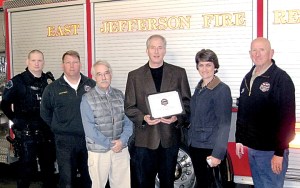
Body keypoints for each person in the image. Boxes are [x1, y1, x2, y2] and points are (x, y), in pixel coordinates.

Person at [124, 34, 191, 188]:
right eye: (152, 47)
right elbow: (129, 106)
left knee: (168, 183)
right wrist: (143, 117)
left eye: (160, 47)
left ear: (165, 50)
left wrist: (177, 118)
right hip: (145, 140)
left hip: (169, 139)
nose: (156, 51)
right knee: (144, 183)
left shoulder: (179, 73)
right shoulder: (134, 76)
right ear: (147, 50)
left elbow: (187, 103)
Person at [235, 37, 296, 188]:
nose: (257, 54)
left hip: (271, 152)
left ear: (271, 53)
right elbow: (243, 111)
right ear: (250, 53)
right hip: (253, 150)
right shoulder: (247, 78)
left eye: (262, 50)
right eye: (254, 50)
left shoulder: (281, 79)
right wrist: (239, 139)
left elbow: (287, 119)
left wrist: (279, 153)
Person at [0, 50, 56, 188]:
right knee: (26, 171)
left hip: (46, 133)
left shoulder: (48, 81)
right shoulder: (18, 81)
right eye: (33, 60)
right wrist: (16, 120)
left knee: (48, 171)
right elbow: (4, 104)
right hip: (27, 135)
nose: (36, 64)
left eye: (39, 60)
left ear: (43, 62)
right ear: (27, 62)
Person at [40, 50, 95, 188]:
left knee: (90, 179)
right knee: (67, 180)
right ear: (62, 65)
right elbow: (45, 112)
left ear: (80, 64)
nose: (72, 66)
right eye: (68, 62)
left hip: (88, 140)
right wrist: (58, 127)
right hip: (64, 142)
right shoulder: (52, 88)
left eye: (75, 62)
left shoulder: (91, 85)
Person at [80, 60, 133, 188]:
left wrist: (122, 140)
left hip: (120, 149)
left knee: (123, 185)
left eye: (106, 73)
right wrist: (110, 144)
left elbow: (129, 121)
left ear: (111, 75)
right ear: (94, 77)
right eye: (99, 74)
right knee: (98, 185)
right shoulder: (87, 98)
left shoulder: (119, 95)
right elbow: (90, 129)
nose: (104, 77)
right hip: (98, 151)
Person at [188, 49, 232, 188]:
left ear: (215, 67)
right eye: (201, 65)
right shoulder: (199, 88)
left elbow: (224, 124)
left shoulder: (221, 89)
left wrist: (218, 154)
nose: (204, 69)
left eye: (208, 65)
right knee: (202, 184)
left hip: (210, 149)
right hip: (196, 146)